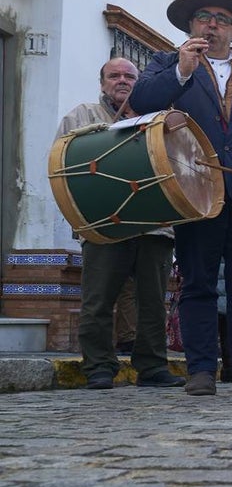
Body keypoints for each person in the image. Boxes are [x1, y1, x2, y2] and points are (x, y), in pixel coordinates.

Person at [131, 0, 232, 396]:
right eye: (204, 17)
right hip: (195, 192)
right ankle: (201, 369)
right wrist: (181, 71)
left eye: (222, 19)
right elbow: (141, 101)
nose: (213, 24)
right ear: (191, 25)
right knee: (198, 283)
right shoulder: (168, 64)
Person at [56, 57, 184, 390]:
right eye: (114, 76)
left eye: (130, 76)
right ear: (102, 83)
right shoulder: (81, 116)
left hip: (155, 225)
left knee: (153, 301)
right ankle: (98, 366)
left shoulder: (158, 119)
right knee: (98, 299)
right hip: (103, 225)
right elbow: (64, 168)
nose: (122, 81)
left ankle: (153, 366)